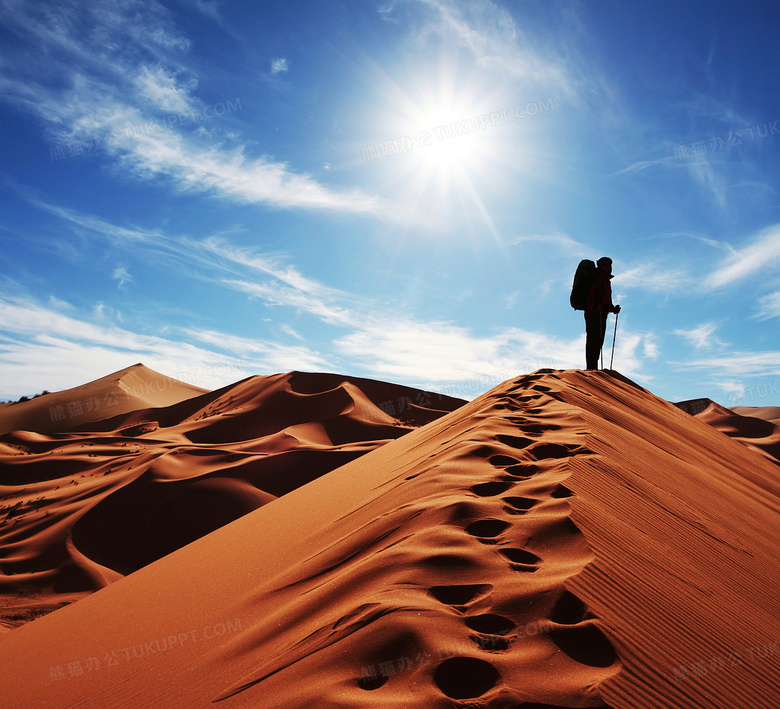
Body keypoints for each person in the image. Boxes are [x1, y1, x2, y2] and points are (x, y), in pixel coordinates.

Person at [584, 257, 620, 370]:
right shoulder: (596, 278)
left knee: (598, 342)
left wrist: (613, 309)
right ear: (599, 265)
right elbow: (589, 298)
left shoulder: (605, 280)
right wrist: (596, 307)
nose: (606, 266)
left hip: (602, 314)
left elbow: (605, 300)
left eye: (608, 264)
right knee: (593, 342)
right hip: (593, 313)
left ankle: (593, 368)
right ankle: (591, 369)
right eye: (604, 264)